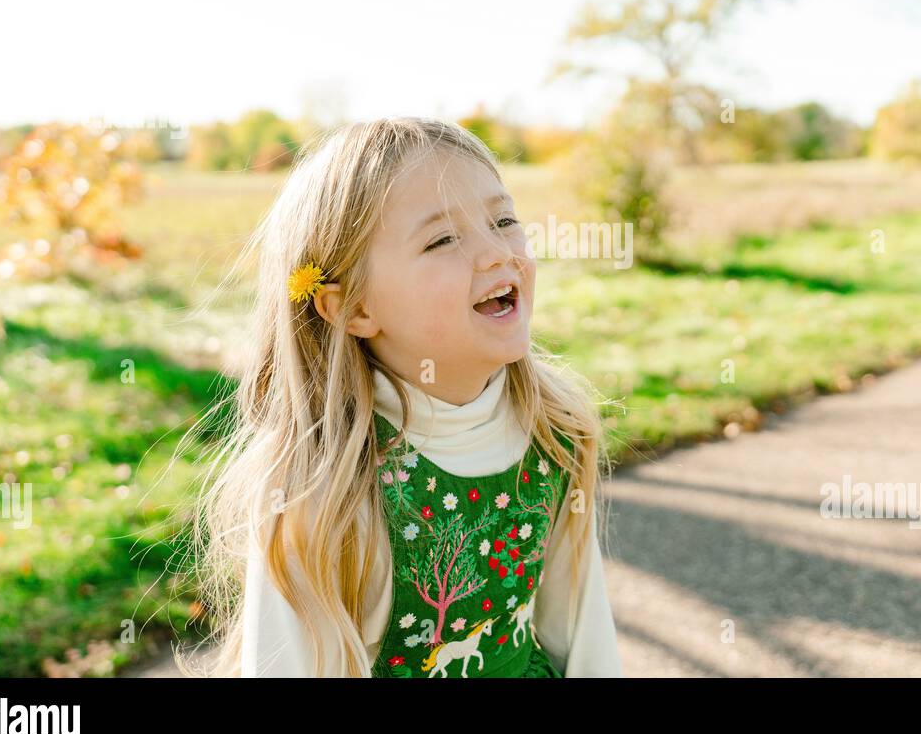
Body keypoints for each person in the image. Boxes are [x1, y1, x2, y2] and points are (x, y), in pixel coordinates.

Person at [182, 116, 622, 678]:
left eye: (504, 220)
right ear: (355, 309)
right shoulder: (321, 486)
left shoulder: (555, 427)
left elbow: (584, 640)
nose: (497, 254)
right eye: (442, 239)